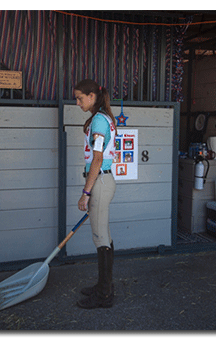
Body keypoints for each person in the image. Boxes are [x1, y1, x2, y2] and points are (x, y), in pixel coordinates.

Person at [74, 79, 117, 309]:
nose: (77, 102)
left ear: (92, 96)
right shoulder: (103, 118)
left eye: (80, 97)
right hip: (103, 180)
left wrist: (86, 192)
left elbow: (97, 159)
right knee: (105, 237)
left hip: (99, 181)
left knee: (101, 239)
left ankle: (104, 295)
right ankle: (105, 285)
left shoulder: (99, 120)